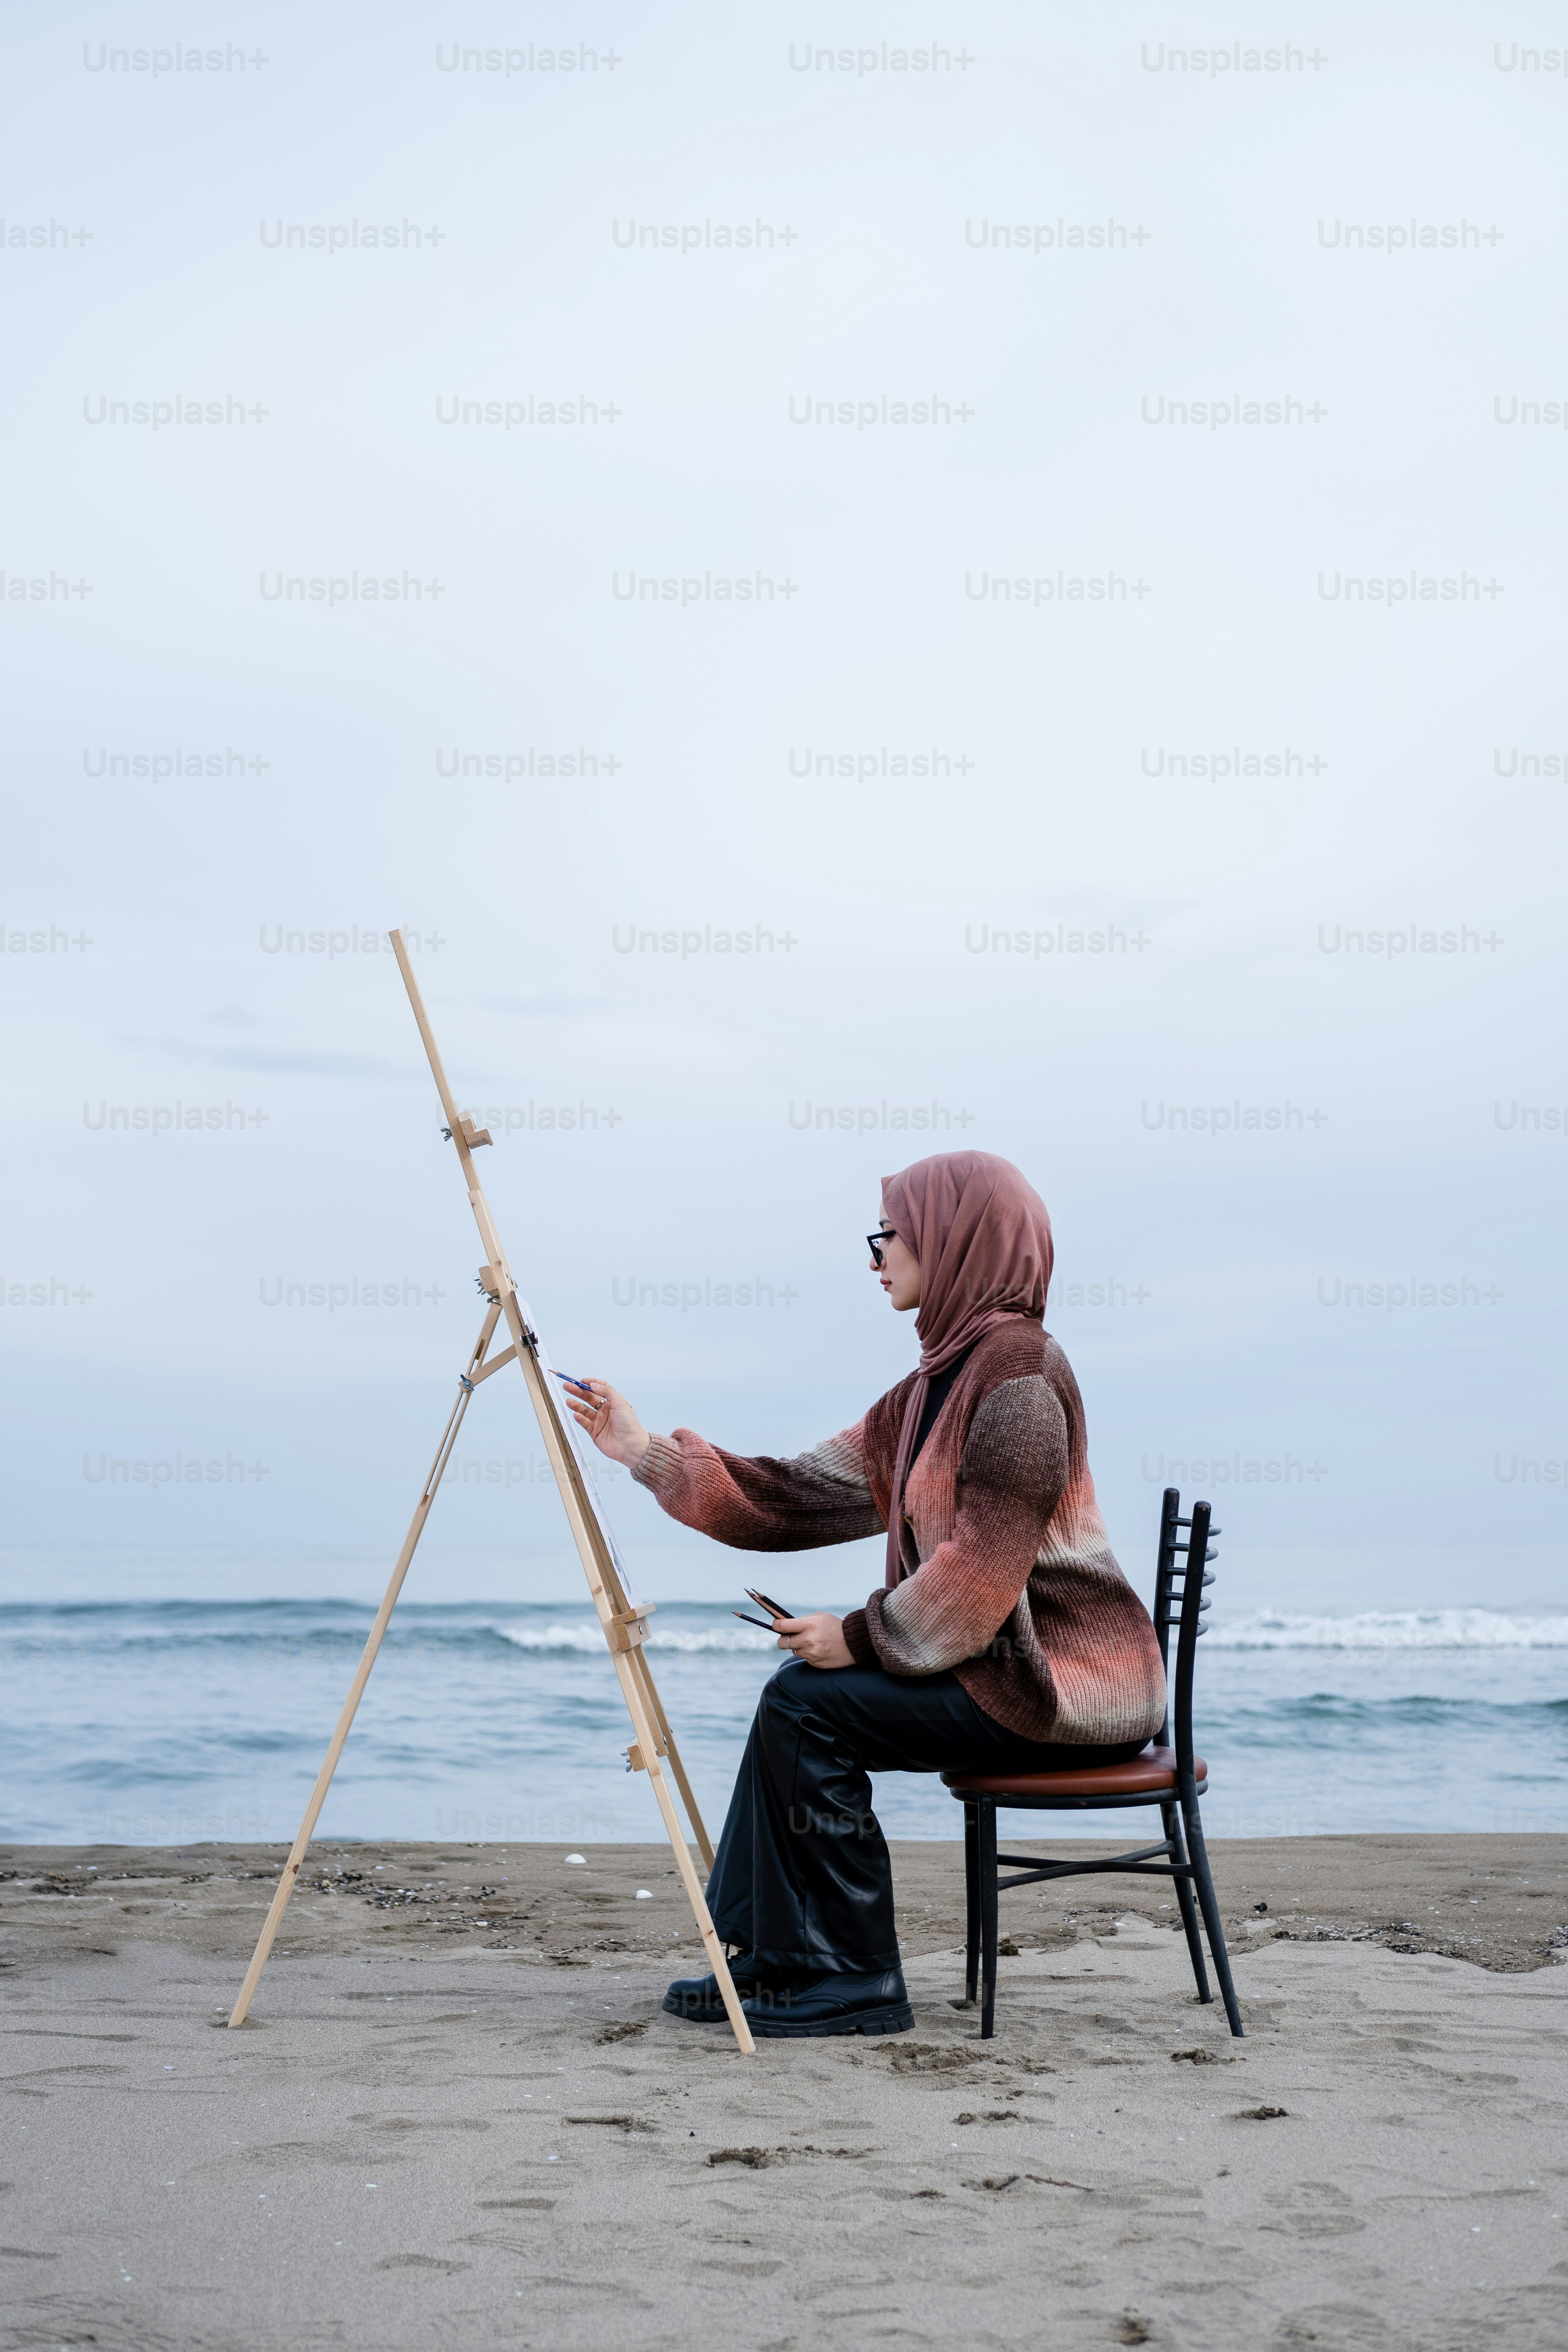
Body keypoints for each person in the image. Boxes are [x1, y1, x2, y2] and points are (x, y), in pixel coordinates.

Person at [565, 1150, 1166, 2038]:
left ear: (956, 1240)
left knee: (809, 1709)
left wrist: (859, 1635)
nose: (876, 1256)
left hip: (1061, 1686)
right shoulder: (934, 1385)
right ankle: (775, 1957)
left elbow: (976, 1578)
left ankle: (849, 1979)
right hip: (998, 1666)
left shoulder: (1019, 1378)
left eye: (890, 1235)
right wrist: (644, 1451)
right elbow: (796, 1493)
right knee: (797, 1702)